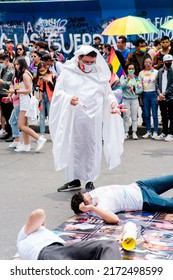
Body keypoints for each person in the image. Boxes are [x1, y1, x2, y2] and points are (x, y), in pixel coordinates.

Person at [49, 45, 124, 192]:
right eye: (86, 62)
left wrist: (114, 104)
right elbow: (58, 94)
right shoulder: (68, 73)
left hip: (93, 121)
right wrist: (69, 99)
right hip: (73, 120)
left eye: (92, 62)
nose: (89, 65)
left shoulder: (100, 75)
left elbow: (107, 94)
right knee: (73, 148)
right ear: (79, 58)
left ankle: (90, 180)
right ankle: (73, 180)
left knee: (91, 148)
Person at [17, 209, 121, 260]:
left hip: (64, 248)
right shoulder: (23, 236)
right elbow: (39, 213)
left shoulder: (43, 233)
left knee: (108, 245)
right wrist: (41, 222)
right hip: (47, 252)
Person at [71, 174, 173, 224]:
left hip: (140, 185)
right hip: (143, 198)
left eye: (86, 194)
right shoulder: (99, 209)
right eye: (87, 199)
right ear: (86, 207)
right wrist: (92, 208)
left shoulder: (90, 194)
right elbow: (115, 219)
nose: (89, 195)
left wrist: (85, 201)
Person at [7, 57, 47, 152]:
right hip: (25, 100)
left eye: (17, 64)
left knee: (21, 125)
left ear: (21, 64)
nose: (16, 66)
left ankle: (39, 139)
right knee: (25, 124)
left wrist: (15, 91)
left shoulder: (25, 74)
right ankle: (26, 144)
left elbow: (29, 90)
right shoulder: (26, 73)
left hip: (26, 101)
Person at [120, 63, 143, 140]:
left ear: (134, 69)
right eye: (129, 69)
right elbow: (121, 86)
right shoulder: (124, 77)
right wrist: (127, 80)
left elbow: (140, 89)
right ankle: (126, 132)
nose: (131, 70)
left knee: (134, 116)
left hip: (134, 100)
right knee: (126, 116)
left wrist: (134, 90)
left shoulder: (137, 78)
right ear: (127, 69)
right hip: (125, 99)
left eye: (132, 69)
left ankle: (134, 132)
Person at [139, 57, 158, 139]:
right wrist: (140, 97)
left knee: (154, 114)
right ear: (144, 63)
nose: (148, 64)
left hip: (153, 94)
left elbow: (158, 84)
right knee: (146, 114)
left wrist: (158, 95)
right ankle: (148, 131)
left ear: (152, 63)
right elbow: (139, 86)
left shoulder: (156, 72)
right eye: (146, 62)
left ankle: (155, 131)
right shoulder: (141, 73)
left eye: (149, 62)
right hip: (144, 94)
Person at [156, 54, 173, 141]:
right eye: (167, 62)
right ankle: (164, 132)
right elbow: (157, 83)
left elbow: (172, 85)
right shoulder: (160, 71)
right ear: (163, 62)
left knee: (171, 115)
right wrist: (159, 94)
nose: (169, 63)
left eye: (170, 62)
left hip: (170, 97)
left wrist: (165, 93)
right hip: (161, 97)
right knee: (163, 116)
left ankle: (171, 133)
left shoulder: (172, 71)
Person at [36, 61, 56, 136]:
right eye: (40, 70)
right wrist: (38, 82)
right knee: (42, 116)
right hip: (41, 97)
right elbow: (36, 88)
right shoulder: (38, 77)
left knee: (51, 116)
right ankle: (42, 133)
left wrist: (48, 81)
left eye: (43, 70)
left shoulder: (52, 75)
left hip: (50, 97)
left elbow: (54, 88)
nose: (42, 72)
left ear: (46, 68)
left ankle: (53, 133)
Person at [0, 53, 14, 142]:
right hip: (1, 94)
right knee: (5, 114)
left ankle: (13, 134)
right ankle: (8, 132)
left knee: (9, 115)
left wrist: (3, 82)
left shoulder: (12, 70)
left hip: (8, 94)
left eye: (1, 62)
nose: (0, 63)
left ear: (7, 60)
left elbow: (13, 83)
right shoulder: (3, 69)